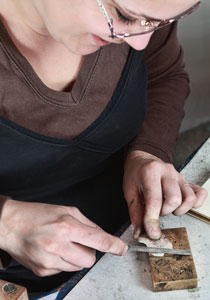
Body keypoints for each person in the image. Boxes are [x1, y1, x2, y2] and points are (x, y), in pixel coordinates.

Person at [0, 0, 207, 295]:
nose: (140, 43)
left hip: (124, 242)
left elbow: (163, 75)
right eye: (123, 16)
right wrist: (5, 223)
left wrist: (148, 150)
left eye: (160, 23)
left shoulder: (145, 16)